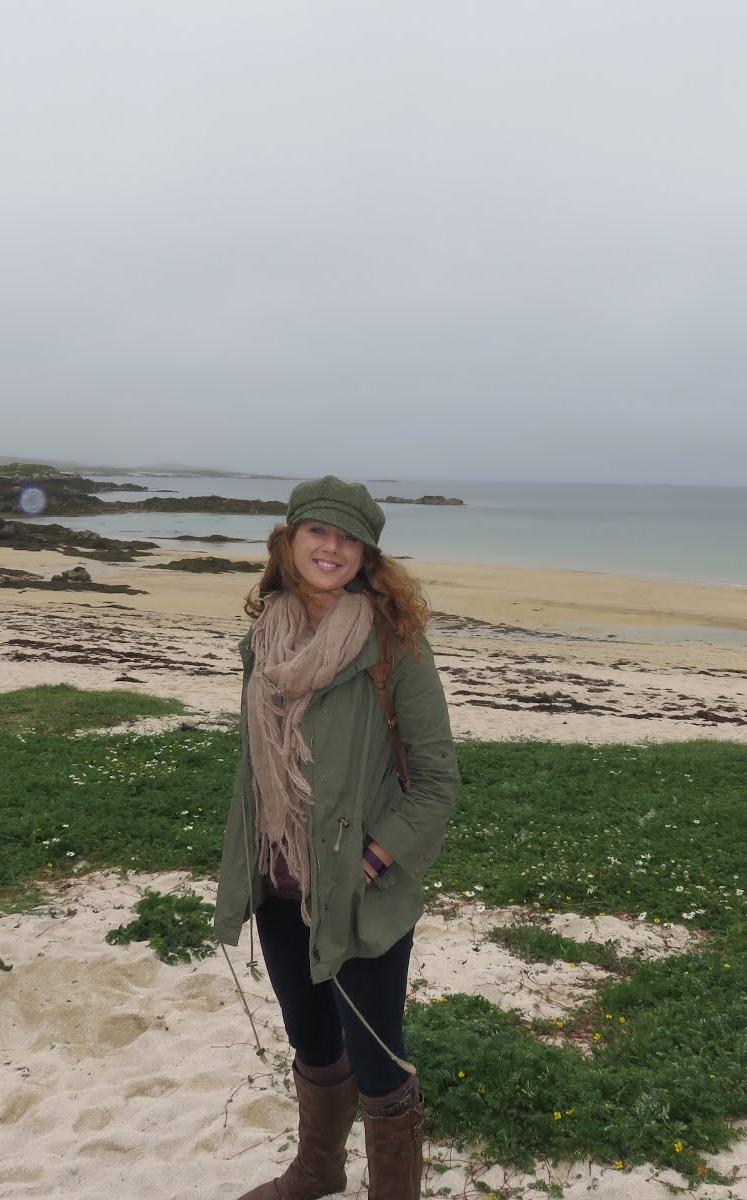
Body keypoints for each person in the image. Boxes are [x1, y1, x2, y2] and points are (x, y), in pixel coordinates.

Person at [215, 476, 460, 1200]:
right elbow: (256, 770)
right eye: (318, 531)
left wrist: (371, 860)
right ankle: (318, 1170)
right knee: (314, 1045)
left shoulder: (395, 648)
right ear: (289, 541)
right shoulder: (264, 640)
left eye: (349, 537)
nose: (332, 547)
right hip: (279, 881)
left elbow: (437, 782)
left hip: (358, 892)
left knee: (378, 1062)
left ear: (367, 555)